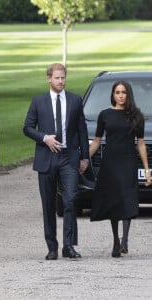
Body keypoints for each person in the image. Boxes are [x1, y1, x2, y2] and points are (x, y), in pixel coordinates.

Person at [23, 63, 89, 260]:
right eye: (57, 78)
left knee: (70, 200)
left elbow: (82, 130)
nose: (61, 81)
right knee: (49, 204)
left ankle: (68, 246)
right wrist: (45, 138)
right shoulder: (38, 101)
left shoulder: (75, 100)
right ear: (49, 78)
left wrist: (84, 156)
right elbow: (27, 127)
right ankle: (52, 246)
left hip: (69, 157)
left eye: (63, 78)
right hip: (47, 157)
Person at [90, 80, 151, 257]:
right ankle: (116, 241)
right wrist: (83, 159)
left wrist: (147, 169)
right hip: (110, 162)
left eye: (123, 92)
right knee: (114, 200)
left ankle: (125, 239)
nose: (121, 95)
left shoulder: (136, 116)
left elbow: (140, 144)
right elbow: (96, 141)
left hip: (128, 161)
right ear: (113, 95)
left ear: (128, 94)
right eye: (117, 92)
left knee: (127, 198)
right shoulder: (105, 115)